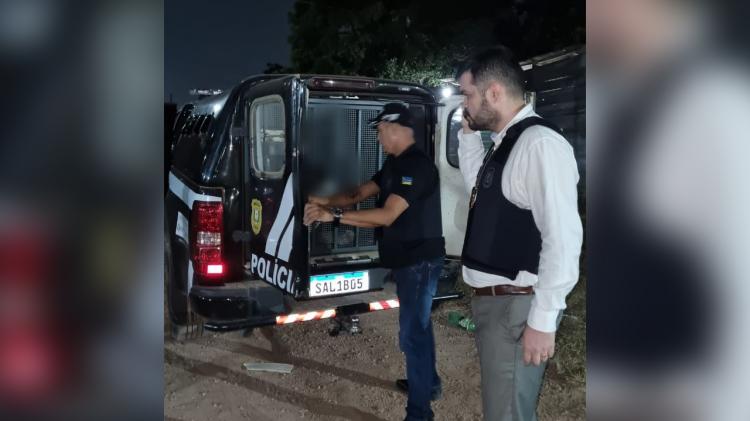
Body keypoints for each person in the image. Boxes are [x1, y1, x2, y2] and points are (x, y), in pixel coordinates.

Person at [456, 46, 583, 421]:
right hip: (500, 306)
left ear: (494, 92)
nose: (464, 104)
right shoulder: (509, 141)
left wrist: (543, 320)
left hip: (516, 307)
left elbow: (562, 238)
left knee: (508, 413)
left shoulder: (539, 144)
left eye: (468, 94)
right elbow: (480, 189)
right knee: (504, 407)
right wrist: (467, 135)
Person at [303, 102, 445, 421]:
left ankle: (419, 413)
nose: (378, 137)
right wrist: (320, 200)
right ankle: (429, 384)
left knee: (412, 334)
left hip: (419, 262)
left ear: (396, 128)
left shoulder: (417, 167)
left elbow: (386, 215)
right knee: (419, 329)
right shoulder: (394, 164)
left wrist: (333, 216)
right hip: (406, 261)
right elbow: (357, 193)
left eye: (380, 131)